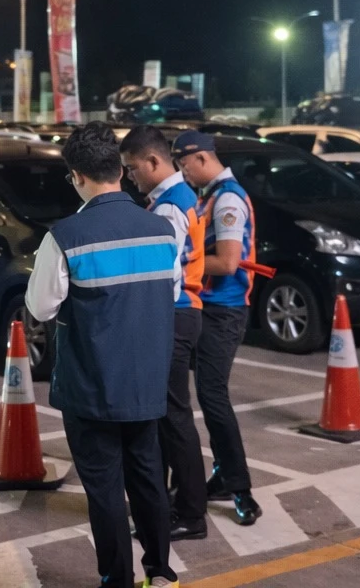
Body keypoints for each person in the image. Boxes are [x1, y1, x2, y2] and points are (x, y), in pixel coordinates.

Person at [26, 122, 180, 588]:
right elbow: (167, 293)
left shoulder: (65, 236)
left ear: (76, 175)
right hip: (148, 384)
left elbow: (40, 306)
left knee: (106, 489)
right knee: (149, 478)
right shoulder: (161, 230)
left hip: (92, 388)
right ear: (118, 168)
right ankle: (162, 571)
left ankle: (118, 579)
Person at [119, 124, 209, 541]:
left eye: (133, 168)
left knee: (173, 418)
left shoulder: (170, 207)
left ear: (154, 161)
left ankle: (189, 513)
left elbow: (163, 273)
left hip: (173, 314)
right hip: (181, 314)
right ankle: (179, 505)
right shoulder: (175, 199)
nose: (131, 177)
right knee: (172, 417)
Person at [172, 130, 262, 526]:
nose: (182, 172)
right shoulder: (210, 195)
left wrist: (178, 262)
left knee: (212, 396)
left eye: (183, 164)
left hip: (223, 311)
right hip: (206, 308)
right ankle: (224, 477)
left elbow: (227, 263)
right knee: (207, 397)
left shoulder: (226, 198)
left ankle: (240, 489)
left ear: (201, 158)